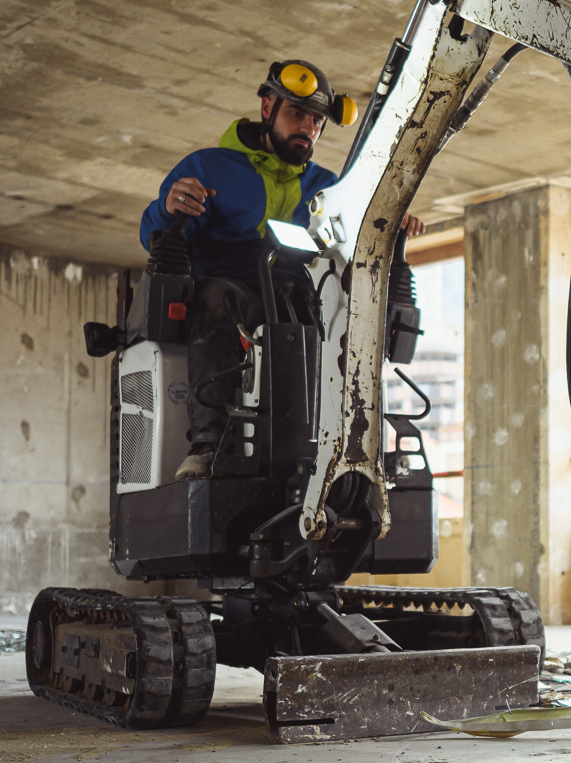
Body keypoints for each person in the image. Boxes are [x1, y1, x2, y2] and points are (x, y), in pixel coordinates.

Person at [138, 59, 423, 480]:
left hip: (296, 291)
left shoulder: (329, 188)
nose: (308, 127)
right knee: (217, 300)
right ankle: (208, 444)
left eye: (316, 120)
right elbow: (154, 235)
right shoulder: (208, 168)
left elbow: (359, 235)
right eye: (296, 114)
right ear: (268, 108)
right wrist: (166, 209)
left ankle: (340, 444)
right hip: (230, 285)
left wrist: (392, 222)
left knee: (340, 320)